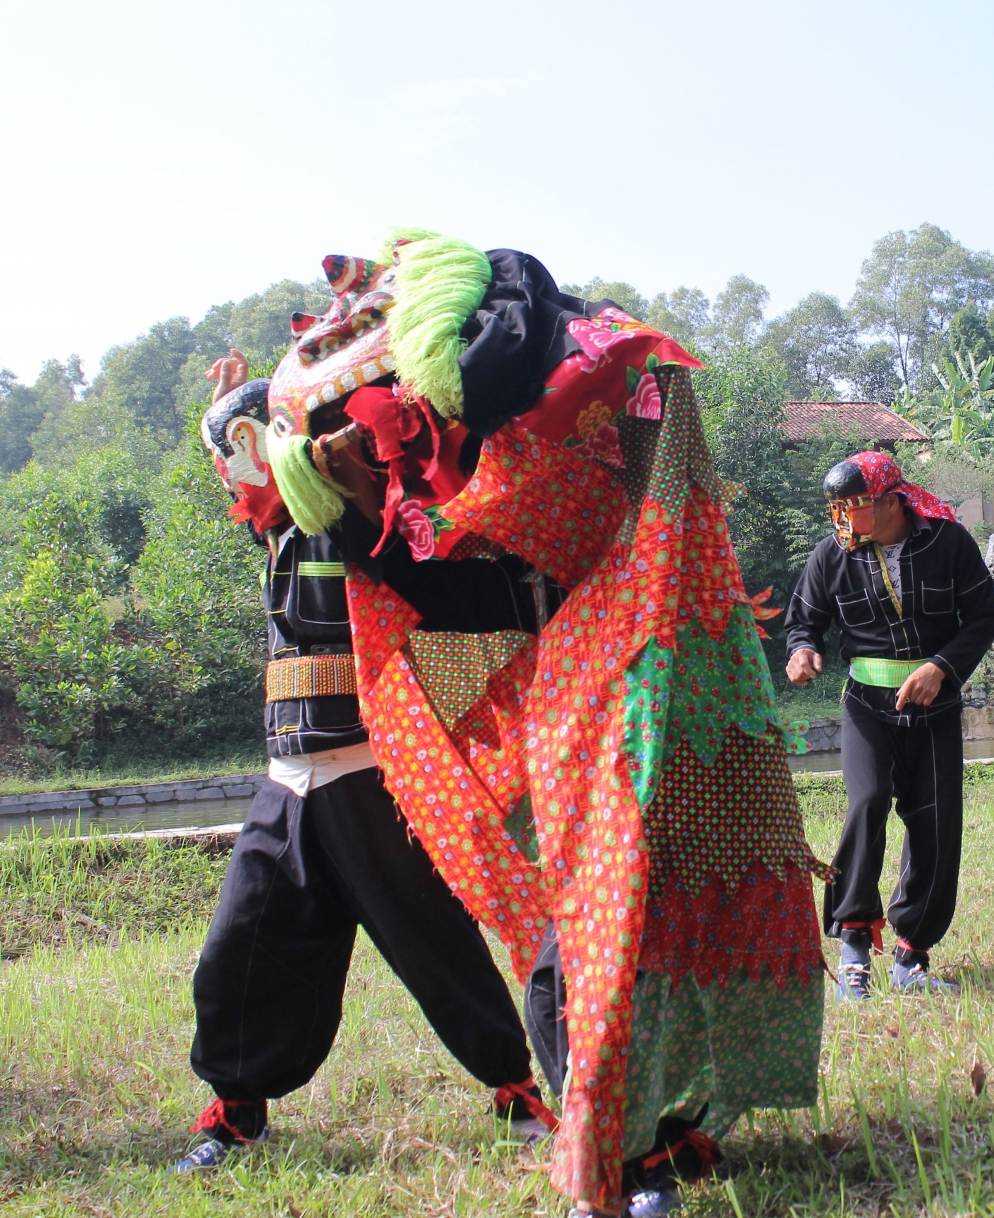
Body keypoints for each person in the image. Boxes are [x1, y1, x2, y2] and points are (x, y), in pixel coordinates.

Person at [255, 232, 831, 1218]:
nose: (385, 450)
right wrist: (364, 517)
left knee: (642, 925)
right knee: (588, 945)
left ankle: (647, 1138)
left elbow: (645, 481)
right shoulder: (431, 495)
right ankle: (622, 1152)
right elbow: (444, 599)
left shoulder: (580, 397)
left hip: (655, 681)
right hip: (556, 726)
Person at [178, 344, 559, 1173]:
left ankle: (515, 1091)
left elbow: (418, 562)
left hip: (368, 775)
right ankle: (236, 1112)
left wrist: (343, 457)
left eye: (231, 457)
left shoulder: (349, 515)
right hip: (286, 783)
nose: (227, 481)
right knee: (239, 949)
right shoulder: (275, 532)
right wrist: (221, 408)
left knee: (434, 942)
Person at [784, 450, 994, 999]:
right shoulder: (832, 555)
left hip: (936, 708)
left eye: (851, 509)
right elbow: (803, 620)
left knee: (935, 822)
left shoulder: (949, 543)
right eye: (834, 509)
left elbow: (981, 620)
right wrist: (803, 650)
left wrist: (942, 667)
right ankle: (853, 944)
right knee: (867, 801)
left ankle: (912, 955)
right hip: (866, 706)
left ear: (887, 502)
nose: (841, 522)